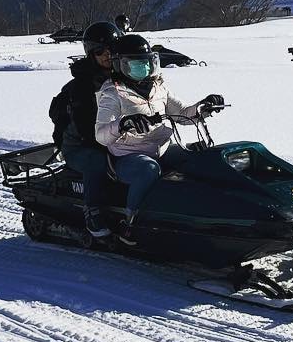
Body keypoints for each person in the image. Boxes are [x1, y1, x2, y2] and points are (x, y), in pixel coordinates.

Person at [95, 33, 224, 242]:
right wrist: (124, 123)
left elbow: (183, 113)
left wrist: (204, 106)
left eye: (146, 62)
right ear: (121, 65)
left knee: (199, 158)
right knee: (149, 169)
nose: (143, 68)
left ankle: (202, 214)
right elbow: (101, 135)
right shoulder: (112, 93)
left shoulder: (158, 87)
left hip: (162, 148)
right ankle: (130, 223)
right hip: (129, 156)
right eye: (135, 63)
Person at [48, 21, 120, 237]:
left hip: (113, 137)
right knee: (97, 162)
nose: (107, 55)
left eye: (111, 49)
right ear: (91, 54)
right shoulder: (82, 85)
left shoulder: (122, 74)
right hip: (80, 144)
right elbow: (85, 127)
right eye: (100, 51)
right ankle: (93, 212)